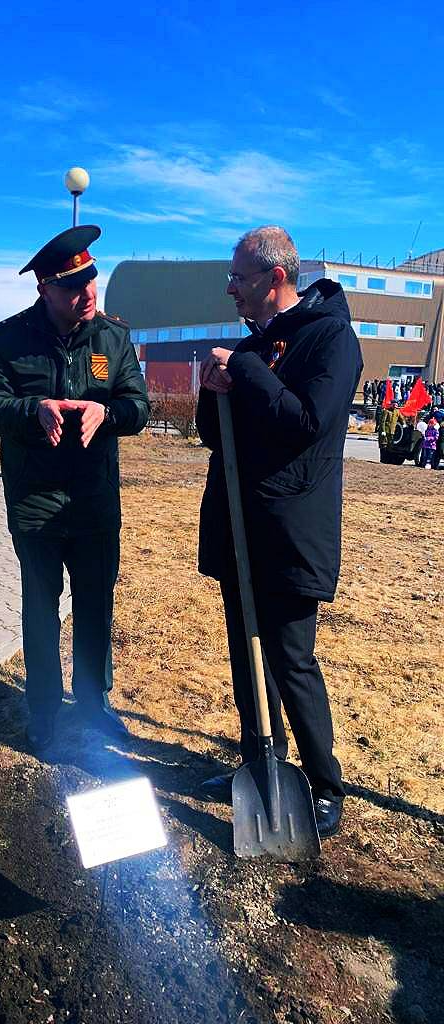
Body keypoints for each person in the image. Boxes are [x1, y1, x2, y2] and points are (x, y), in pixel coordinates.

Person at [195, 225, 362, 840]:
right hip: (240, 527)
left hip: (291, 532)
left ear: (276, 278)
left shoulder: (329, 339)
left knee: (291, 659)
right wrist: (212, 392)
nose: (230, 288)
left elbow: (307, 422)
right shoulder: (256, 345)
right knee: (247, 655)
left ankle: (324, 785)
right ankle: (261, 763)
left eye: (238, 277)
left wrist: (243, 368)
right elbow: (217, 436)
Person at [0, 225, 150, 753]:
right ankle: (45, 711)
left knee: (95, 607)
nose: (87, 293)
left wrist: (107, 412)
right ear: (45, 289)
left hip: (94, 502)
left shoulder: (113, 338)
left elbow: (138, 407)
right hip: (35, 503)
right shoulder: (10, 338)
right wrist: (33, 410)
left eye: (91, 280)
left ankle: (94, 704)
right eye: (73, 286)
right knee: (40, 610)